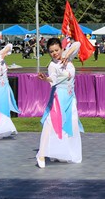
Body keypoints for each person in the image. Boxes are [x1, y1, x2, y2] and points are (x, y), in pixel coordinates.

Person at [35, 37, 83, 167]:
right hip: (59, 97)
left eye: (57, 50)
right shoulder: (52, 65)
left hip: (70, 97)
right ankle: (41, 154)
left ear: (61, 48)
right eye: (51, 51)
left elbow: (78, 43)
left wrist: (67, 55)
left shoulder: (68, 57)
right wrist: (45, 79)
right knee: (50, 123)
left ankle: (63, 152)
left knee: (71, 124)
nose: (55, 53)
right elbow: (53, 79)